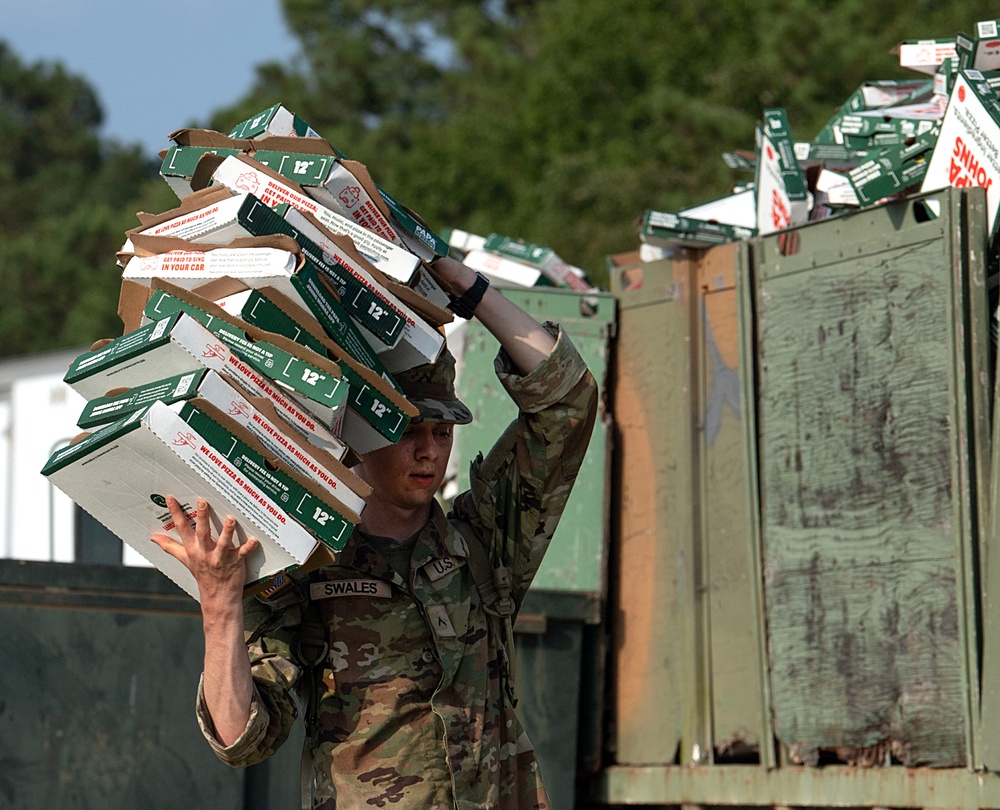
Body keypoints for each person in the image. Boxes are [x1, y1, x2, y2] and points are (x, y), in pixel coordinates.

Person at [150, 255, 599, 808]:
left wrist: (468, 287)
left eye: (442, 430)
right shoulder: (305, 569)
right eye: (409, 430)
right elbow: (243, 739)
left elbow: (568, 403)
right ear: (362, 434)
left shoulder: (485, 541)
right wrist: (220, 603)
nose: (430, 451)